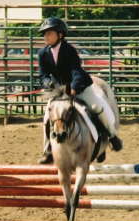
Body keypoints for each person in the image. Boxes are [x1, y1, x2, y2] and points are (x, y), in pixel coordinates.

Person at [37, 16, 123, 164]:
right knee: (46, 117)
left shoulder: (70, 50)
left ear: (60, 35)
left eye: (49, 33)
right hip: (59, 91)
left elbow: (76, 72)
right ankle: (48, 150)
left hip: (80, 86)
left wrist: (74, 89)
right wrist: (49, 84)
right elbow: (43, 76)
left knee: (97, 106)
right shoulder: (42, 53)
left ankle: (112, 136)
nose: (46, 36)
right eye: (44, 33)